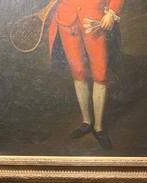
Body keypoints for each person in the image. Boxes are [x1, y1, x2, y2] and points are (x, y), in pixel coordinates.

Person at [48, 0, 124, 150]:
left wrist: (112, 12)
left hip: (95, 21)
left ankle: (99, 127)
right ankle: (86, 121)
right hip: (67, 21)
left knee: (100, 76)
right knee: (78, 73)